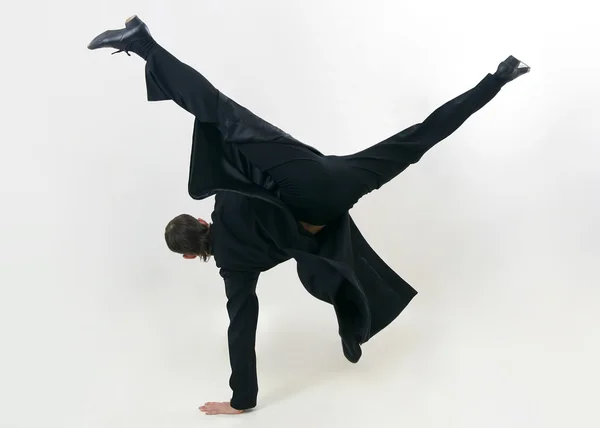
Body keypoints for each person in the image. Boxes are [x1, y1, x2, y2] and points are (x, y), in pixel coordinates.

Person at [87, 15, 530, 416]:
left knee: (409, 151)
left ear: (190, 256)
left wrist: (242, 400)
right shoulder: (226, 199)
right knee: (220, 110)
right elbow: (230, 143)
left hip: (330, 201)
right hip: (316, 173)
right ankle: (498, 78)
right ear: (201, 221)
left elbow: (241, 330)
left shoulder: (235, 270)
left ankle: (352, 321)